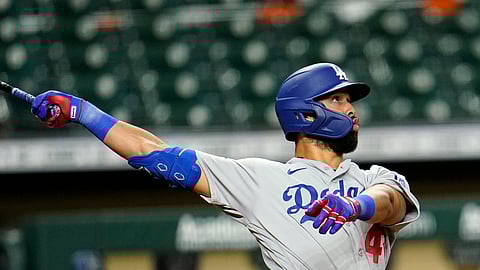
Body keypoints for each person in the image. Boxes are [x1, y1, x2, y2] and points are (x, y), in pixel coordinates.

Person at [31, 62, 420, 270]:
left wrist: (356, 206)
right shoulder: (260, 180)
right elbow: (158, 155)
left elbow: (391, 203)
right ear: (305, 113)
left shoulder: (373, 178)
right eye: (337, 100)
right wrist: (83, 111)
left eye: (350, 100)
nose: (351, 109)